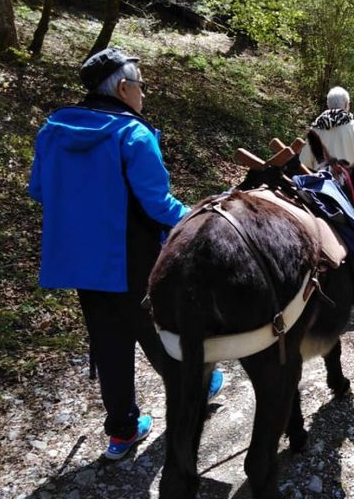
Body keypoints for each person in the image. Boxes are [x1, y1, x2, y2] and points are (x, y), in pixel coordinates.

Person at [28, 47, 223, 460]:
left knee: (108, 343)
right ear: (122, 87)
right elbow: (157, 205)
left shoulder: (52, 130)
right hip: (135, 258)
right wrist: (199, 217)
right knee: (159, 337)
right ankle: (195, 397)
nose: (144, 95)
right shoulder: (132, 134)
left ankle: (122, 432)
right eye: (141, 86)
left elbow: (40, 191)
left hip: (81, 261)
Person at [300, 86, 354, 205]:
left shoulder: (315, 129)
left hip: (321, 188)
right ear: (347, 104)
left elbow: (304, 161)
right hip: (348, 188)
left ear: (328, 104)